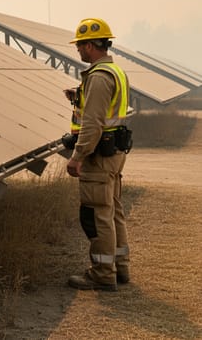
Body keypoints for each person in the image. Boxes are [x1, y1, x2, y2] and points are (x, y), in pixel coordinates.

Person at [63, 18, 131, 291]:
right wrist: (78, 98)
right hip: (113, 153)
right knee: (113, 211)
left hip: (99, 158)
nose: (78, 50)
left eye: (80, 45)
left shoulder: (99, 77)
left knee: (97, 215)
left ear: (91, 46)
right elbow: (106, 112)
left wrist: (77, 156)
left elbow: (92, 124)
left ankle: (103, 273)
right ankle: (120, 268)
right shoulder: (115, 71)